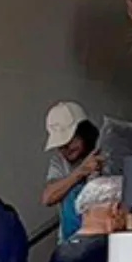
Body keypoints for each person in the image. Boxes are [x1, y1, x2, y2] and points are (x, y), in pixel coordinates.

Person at [39, 102, 103, 245]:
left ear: (84, 133)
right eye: (61, 147)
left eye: (70, 142)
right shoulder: (59, 162)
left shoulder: (104, 153)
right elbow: (48, 197)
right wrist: (81, 171)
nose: (66, 150)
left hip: (103, 241)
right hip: (70, 243)